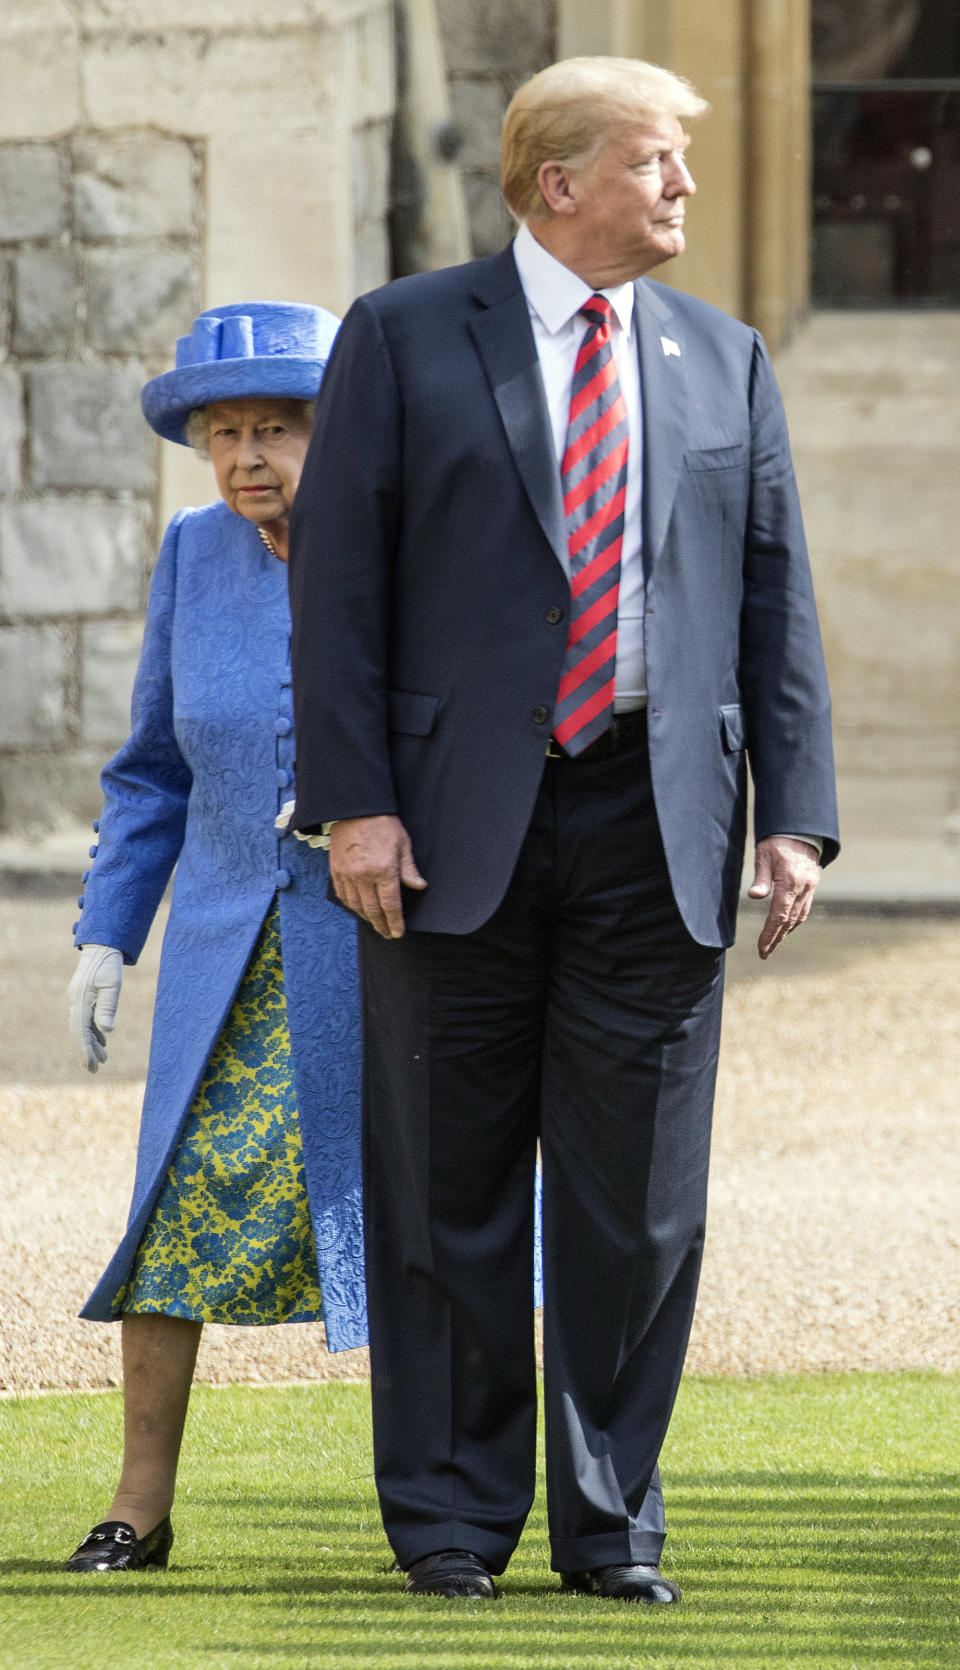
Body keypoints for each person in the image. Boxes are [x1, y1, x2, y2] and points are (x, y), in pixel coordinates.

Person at [287, 57, 839, 1603]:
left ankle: (614, 1529)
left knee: (640, 1205)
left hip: (655, 825)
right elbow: (335, 593)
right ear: (559, 184)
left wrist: (796, 819)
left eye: (681, 164)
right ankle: (454, 1524)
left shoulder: (725, 359)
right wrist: (356, 804)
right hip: (448, 830)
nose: (679, 189)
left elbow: (776, 605)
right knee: (446, 1193)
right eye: (656, 162)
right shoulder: (403, 337)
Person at [64, 303, 365, 1574]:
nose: (250, 454)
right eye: (225, 430)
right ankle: (137, 1505)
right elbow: (150, 773)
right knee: (174, 1217)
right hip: (225, 957)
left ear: (333, 430)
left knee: (424, 1225)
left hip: (385, 950)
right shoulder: (193, 553)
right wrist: (107, 933)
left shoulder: (398, 542)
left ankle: (449, 1517)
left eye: (280, 426)